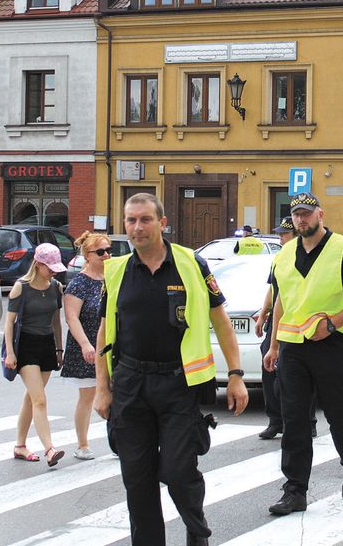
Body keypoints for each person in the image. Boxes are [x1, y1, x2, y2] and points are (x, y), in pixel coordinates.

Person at [93, 193, 247, 546]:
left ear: (162, 223)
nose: (137, 227)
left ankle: (197, 531)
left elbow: (221, 323)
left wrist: (236, 376)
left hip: (178, 383)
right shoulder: (116, 271)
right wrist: (103, 387)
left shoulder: (192, 264)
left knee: (178, 472)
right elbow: (104, 331)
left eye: (145, 219)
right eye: (131, 220)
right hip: (131, 385)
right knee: (137, 478)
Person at [263, 192, 343, 516]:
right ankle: (295, 490)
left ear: (320, 215)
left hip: (328, 344)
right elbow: (283, 300)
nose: (301, 219)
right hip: (292, 349)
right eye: (296, 214)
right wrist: (273, 346)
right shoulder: (283, 255)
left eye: (307, 214)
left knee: (339, 414)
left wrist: (334, 323)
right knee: (295, 420)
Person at [2, 243, 67, 467]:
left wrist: (59, 349)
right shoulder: (21, 287)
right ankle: (50, 448)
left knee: (32, 397)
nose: (54, 271)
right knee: (39, 399)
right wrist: (10, 353)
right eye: (50, 267)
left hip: (46, 344)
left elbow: (56, 321)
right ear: (38, 264)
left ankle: (20, 445)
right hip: (26, 345)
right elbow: (9, 323)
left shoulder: (56, 287)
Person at [254, 217, 317, 440]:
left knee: (299, 374)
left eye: (284, 234)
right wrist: (263, 314)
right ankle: (275, 420)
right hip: (278, 321)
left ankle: (308, 422)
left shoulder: (306, 257)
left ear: (296, 236)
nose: (280, 238)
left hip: (298, 322)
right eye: (279, 234)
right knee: (269, 369)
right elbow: (274, 289)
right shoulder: (280, 258)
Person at [62, 231, 109, 460]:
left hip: (111, 346)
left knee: (118, 395)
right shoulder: (78, 283)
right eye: (101, 252)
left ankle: (120, 443)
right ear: (88, 255)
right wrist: (85, 345)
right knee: (88, 396)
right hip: (89, 345)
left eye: (109, 250)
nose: (107, 255)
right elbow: (71, 318)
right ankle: (82, 444)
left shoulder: (114, 277)